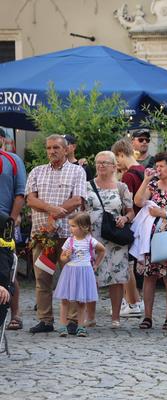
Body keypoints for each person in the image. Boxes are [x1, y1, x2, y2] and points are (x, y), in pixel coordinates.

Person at [26, 134, 87, 334]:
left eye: (56, 148)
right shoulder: (37, 171)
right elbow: (31, 201)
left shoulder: (77, 171)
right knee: (42, 278)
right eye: (49, 148)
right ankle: (45, 320)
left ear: (66, 149)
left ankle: (72, 321)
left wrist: (54, 215)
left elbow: (77, 200)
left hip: (68, 236)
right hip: (42, 235)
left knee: (71, 277)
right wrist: (53, 211)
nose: (52, 151)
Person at [134, 152, 167, 330]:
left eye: (162, 166)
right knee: (149, 276)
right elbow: (138, 201)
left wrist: (162, 214)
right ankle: (147, 316)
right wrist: (145, 180)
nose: (158, 169)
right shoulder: (152, 186)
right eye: (157, 166)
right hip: (150, 237)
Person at [85, 151, 134, 328]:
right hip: (92, 237)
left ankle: (115, 317)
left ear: (114, 166)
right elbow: (81, 210)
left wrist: (125, 219)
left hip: (114, 236)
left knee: (117, 276)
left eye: (105, 162)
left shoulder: (121, 187)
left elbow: (130, 211)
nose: (101, 165)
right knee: (91, 275)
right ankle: (90, 316)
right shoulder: (87, 186)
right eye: (98, 162)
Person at [53, 213, 105, 338]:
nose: (71, 228)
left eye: (73, 226)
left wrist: (96, 264)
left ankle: (81, 326)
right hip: (70, 272)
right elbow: (62, 259)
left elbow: (102, 250)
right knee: (65, 300)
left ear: (84, 227)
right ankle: (62, 325)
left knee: (81, 301)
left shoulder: (90, 240)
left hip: (84, 272)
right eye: (70, 225)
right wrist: (67, 255)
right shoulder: (69, 241)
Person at [112, 137, 146, 317]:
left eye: (116, 158)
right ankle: (132, 300)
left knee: (126, 264)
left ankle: (133, 302)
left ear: (120, 154)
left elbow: (126, 202)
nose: (116, 163)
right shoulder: (143, 170)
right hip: (143, 222)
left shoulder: (128, 175)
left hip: (132, 222)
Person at [0, 147, 26, 331]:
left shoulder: (13, 160)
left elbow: (20, 193)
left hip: (3, 219)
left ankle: (15, 314)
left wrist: (11, 219)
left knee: (8, 266)